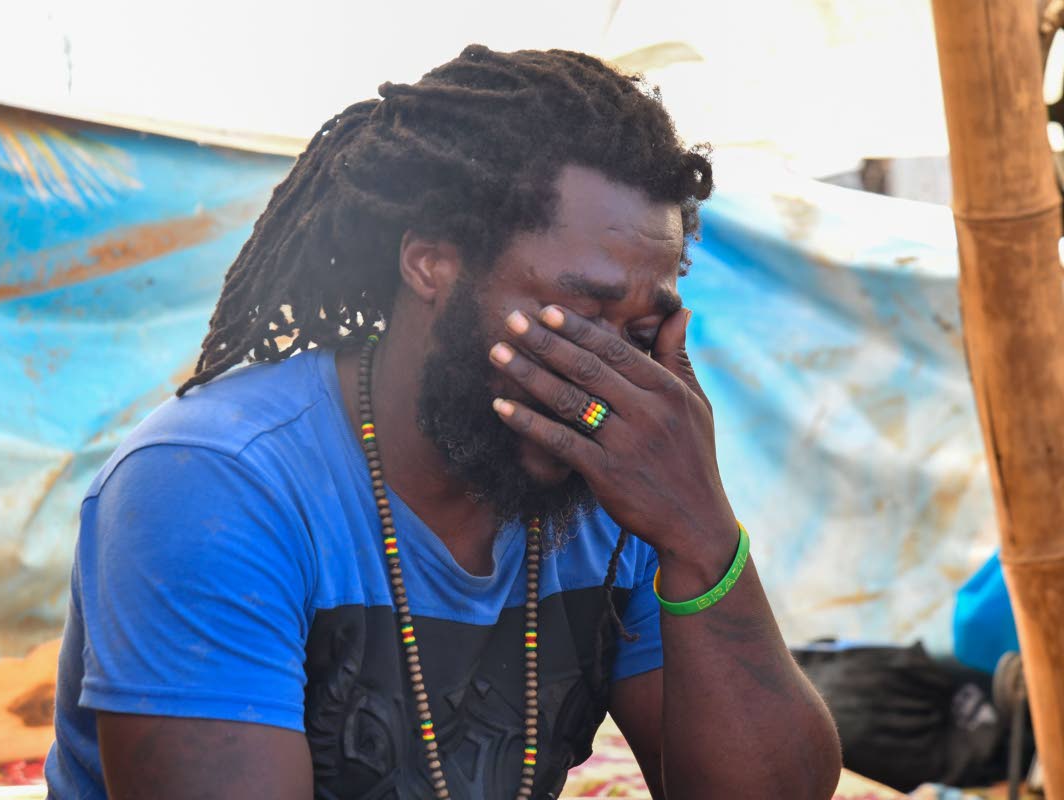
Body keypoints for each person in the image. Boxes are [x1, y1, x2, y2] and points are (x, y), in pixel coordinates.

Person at [45, 45, 842, 799]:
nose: (615, 379)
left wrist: (701, 532)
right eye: (579, 317)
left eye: (641, 335)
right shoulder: (217, 482)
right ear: (431, 263)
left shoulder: (622, 494)